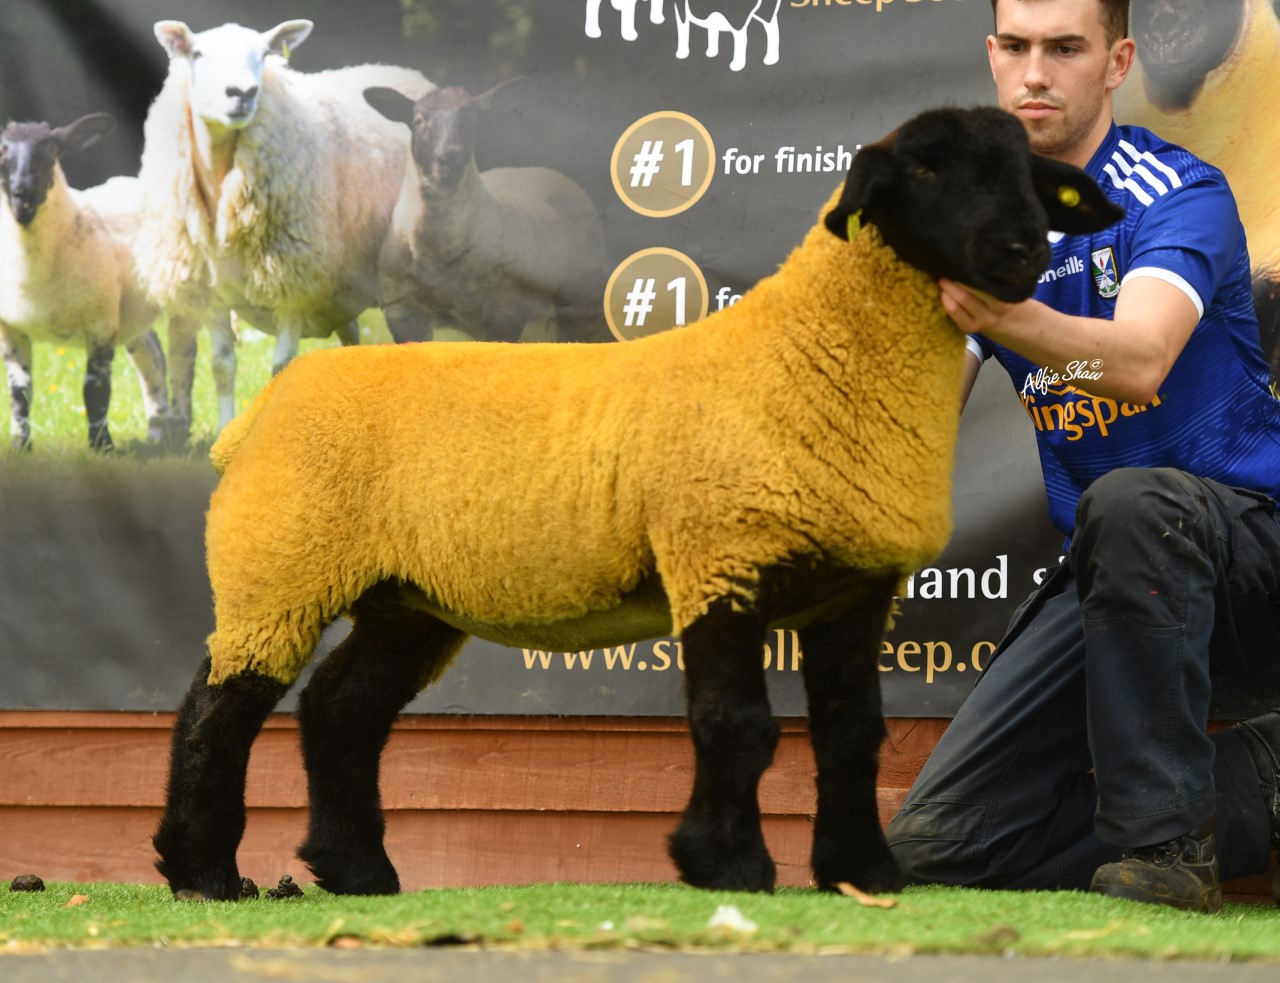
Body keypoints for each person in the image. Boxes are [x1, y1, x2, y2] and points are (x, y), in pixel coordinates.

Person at [884, 0, 1280, 912]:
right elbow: (915, 417)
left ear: (1116, 61)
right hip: (1120, 579)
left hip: (1251, 554)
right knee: (936, 844)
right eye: (1016, 47)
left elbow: (1139, 360)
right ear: (990, 57)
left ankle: (1166, 858)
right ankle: (1261, 778)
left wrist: (995, 304)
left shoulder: (1176, 190)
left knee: (1136, 501)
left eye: (1065, 48)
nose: (1035, 73)